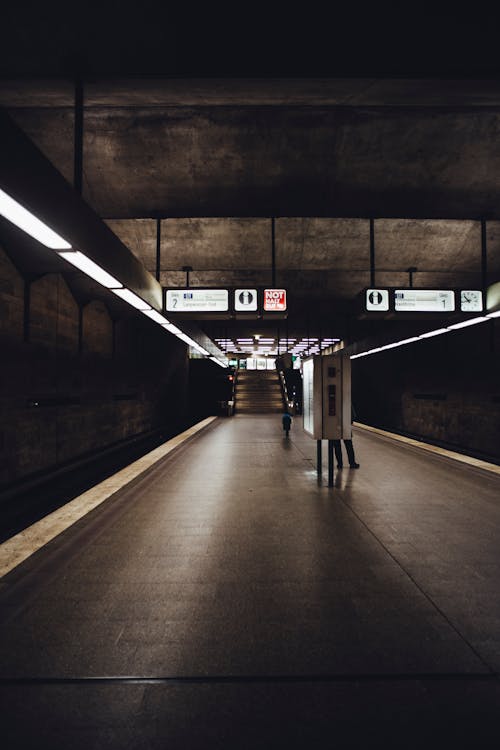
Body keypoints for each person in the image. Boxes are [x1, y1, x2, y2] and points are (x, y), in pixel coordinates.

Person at [334, 402, 359, 468]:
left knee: (337, 445)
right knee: (349, 445)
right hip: (345, 425)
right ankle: (352, 463)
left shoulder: (334, 400)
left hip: (335, 425)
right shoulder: (345, 398)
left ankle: (340, 464)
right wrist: (350, 421)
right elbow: (352, 414)